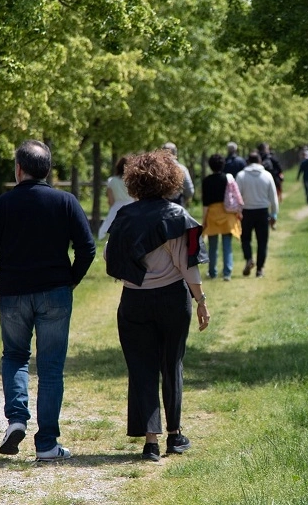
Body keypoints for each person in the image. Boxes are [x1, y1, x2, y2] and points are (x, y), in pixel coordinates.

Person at [0, 139, 96, 461]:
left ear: (18, 169)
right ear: (48, 170)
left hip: (12, 295)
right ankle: (47, 445)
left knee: (15, 356)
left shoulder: (1, 206)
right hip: (55, 292)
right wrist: (70, 280)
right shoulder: (65, 202)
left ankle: (16, 419)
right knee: (51, 367)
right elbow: (87, 248)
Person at [104, 150, 210, 461]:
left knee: (141, 368)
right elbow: (187, 264)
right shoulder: (177, 216)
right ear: (171, 180)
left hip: (133, 301)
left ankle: (150, 441)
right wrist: (201, 300)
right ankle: (175, 436)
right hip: (171, 299)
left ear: (134, 181)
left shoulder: (124, 216)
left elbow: (110, 257)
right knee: (171, 364)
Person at [236, 151, 279, 278]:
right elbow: (273, 197)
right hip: (262, 211)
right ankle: (260, 269)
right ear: (260, 161)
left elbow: (237, 196)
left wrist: (238, 211)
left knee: (245, 239)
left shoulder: (241, 175)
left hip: (246, 212)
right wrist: (274, 214)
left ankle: (249, 258)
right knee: (262, 241)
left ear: (248, 161)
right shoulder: (267, 175)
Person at [202, 153, 242, 281]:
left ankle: (212, 272)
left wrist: (204, 220)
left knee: (212, 246)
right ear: (223, 165)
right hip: (227, 214)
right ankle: (227, 273)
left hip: (213, 214)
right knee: (227, 245)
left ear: (210, 166)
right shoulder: (227, 179)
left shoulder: (206, 181)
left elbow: (205, 204)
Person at [97, 155, 135, 240]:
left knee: (108, 229)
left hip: (117, 207)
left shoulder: (111, 180)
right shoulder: (132, 181)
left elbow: (111, 201)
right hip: (131, 205)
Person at [161, 142, 195, 206]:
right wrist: (184, 200)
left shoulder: (157, 170)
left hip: (159, 205)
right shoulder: (182, 169)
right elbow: (190, 191)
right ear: (175, 153)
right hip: (177, 204)